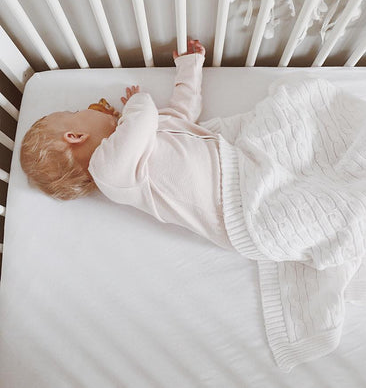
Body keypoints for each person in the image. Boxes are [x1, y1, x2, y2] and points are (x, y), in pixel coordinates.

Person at [20, 39, 233, 249]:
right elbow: (144, 112)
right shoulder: (107, 172)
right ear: (75, 136)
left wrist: (190, 68)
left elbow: (182, 115)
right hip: (231, 208)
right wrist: (132, 105)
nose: (85, 108)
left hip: (231, 165)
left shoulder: (136, 140)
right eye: (74, 112)